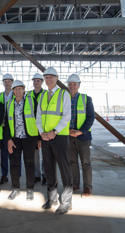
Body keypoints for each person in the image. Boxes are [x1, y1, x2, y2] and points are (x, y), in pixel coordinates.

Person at [36, 67, 73, 214]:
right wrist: (42, 133)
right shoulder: (43, 96)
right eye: (46, 77)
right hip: (46, 137)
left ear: (57, 78)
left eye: (51, 77)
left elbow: (67, 115)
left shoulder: (64, 94)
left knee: (64, 169)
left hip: (60, 137)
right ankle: (52, 198)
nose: (48, 80)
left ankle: (67, 202)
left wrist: (55, 131)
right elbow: (38, 116)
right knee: (49, 168)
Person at [5, 80, 39, 201]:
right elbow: (7, 124)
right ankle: (15, 189)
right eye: (15, 89)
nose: (18, 91)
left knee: (29, 164)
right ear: (13, 91)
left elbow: (38, 119)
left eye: (20, 88)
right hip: (15, 139)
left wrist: (38, 138)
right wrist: (8, 139)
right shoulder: (9, 104)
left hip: (29, 138)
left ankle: (30, 189)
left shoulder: (31, 101)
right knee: (14, 164)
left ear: (24, 90)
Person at [67, 74, 95, 198]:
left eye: (74, 84)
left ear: (79, 85)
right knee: (72, 162)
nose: (72, 86)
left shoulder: (86, 99)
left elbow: (90, 118)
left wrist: (80, 131)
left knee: (85, 163)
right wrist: (66, 131)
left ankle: (87, 187)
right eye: (70, 84)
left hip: (83, 136)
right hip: (68, 135)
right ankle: (75, 184)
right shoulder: (64, 99)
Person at [30, 73, 47, 185]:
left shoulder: (46, 94)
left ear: (42, 82)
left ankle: (45, 175)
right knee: (35, 155)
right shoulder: (28, 95)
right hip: (32, 129)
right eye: (34, 80)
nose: (36, 82)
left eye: (38, 80)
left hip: (44, 128)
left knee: (46, 155)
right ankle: (37, 175)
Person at [0, 73, 14, 185]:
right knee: (3, 153)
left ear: (12, 83)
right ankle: (4, 174)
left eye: (9, 81)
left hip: (15, 128)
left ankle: (15, 175)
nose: (7, 83)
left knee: (15, 153)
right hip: (3, 128)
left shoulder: (18, 93)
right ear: (3, 83)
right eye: (5, 81)